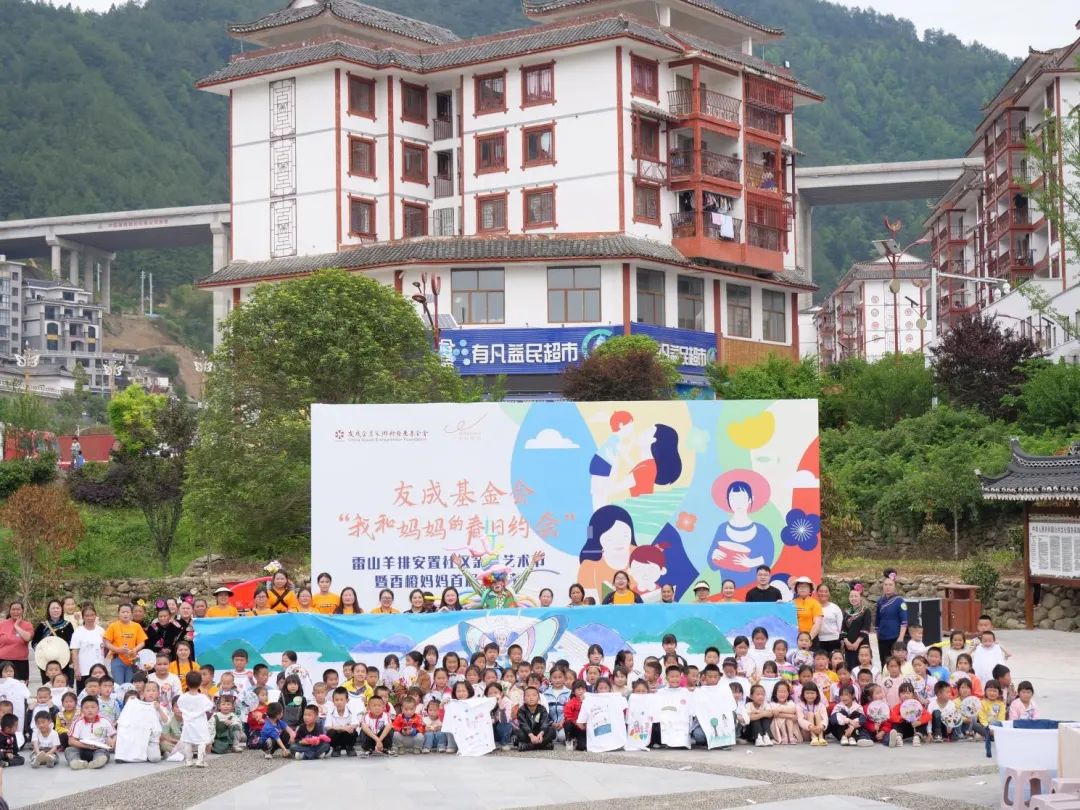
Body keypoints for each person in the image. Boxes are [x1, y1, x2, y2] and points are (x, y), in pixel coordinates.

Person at [708, 480, 774, 586]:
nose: (738, 503)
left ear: (750, 500)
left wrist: (750, 562)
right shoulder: (722, 529)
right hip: (728, 589)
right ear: (728, 501)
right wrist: (714, 556)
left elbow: (768, 558)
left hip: (755, 589)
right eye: (734, 499)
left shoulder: (762, 531)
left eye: (742, 499)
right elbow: (712, 565)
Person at [577, 506, 637, 602]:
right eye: (610, 538)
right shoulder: (589, 567)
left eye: (625, 535)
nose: (619, 542)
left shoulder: (642, 557)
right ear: (597, 539)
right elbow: (588, 602)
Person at [453, 551, 544, 609]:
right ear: (489, 584)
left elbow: (522, 579)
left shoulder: (511, 592)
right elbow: (473, 581)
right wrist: (461, 566)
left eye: (498, 580)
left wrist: (532, 563)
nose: (496, 584)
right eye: (493, 582)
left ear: (503, 581)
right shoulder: (486, 593)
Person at [103, 603, 148, 686]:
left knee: (130, 685)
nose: (125, 614)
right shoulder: (113, 626)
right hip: (117, 659)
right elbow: (106, 642)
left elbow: (142, 642)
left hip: (132, 660)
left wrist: (134, 650)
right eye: (123, 612)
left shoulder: (137, 626)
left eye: (127, 612)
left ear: (131, 614)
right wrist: (118, 650)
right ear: (118, 613)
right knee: (118, 685)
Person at [65, 696, 114, 770]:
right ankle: (77, 762)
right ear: (82, 710)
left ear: (98, 709)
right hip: (82, 749)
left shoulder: (105, 721)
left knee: (103, 752)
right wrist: (87, 746)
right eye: (86, 708)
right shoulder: (77, 722)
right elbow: (71, 741)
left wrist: (112, 740)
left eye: (93, 707)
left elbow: (114, 735)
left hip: (99, 749)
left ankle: (96, 762)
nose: (90, 710)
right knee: (69, 750)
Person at [33, 600, 75, 683]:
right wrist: (42, 652)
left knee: (62, 685)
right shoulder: (42, 626)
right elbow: (35, 642)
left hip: (63, 661)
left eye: (58, 608)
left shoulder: (68, 625)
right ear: (48, 610)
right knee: (48, 686)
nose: (55, 610)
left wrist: (66, 651)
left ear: (61, 610)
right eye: (53, 608)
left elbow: (72, 642)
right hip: (46, 662)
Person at [177, 671, 213, 767]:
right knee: (202, 741)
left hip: (188, 722)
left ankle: (188, 760)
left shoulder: (182, 697)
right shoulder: (202, 697)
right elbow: (210, 706)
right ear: (200, 682)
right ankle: (200, 760)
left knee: (187, 741)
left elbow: (180, 706)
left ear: (187, 683)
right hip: (200, 723)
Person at [69, 604, 106, 692]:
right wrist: (76, 669)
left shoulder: (101, 630)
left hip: (99, 671)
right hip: (84, 670)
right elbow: (74, 652)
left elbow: (106, 648)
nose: (90, 618)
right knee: (83, 695)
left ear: (95, 616)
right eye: (87, 615)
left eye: (92, 615)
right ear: (83, 617)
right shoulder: (78, 632)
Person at [874, 577, 907, 668]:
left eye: (890, 585)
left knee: (896, 662)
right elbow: (877, 620)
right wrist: (877, 634)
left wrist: (900, 638)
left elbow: (904, 621)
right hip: (882, 638)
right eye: (885, 585)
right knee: (884, 662)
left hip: (895, 637)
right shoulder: (880, 601)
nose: (887, 587)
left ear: (894, 587)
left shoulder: (900, 601)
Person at [515, 686, 555, 751]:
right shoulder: (521, 710)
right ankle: (544, 745)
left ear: (538, 698)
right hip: (527, 734)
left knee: (552, 731)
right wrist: (531, 735)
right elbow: (523, 724)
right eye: (528, 696)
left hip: (539, 733)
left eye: (534, 695)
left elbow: (545, 723)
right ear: (524, 699)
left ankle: (528, 746)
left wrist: (541, 734)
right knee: (518, 732)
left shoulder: (542, 709)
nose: (531, 698)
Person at [841, 586, 871, 670]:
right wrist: (846, 642)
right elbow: (843, 628)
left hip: (861, 644)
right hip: (849, 646)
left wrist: (856, 643)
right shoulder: (846, 612)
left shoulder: (865, 611)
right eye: (851, 596)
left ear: (860, 597)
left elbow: (865, 628)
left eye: (856, 596)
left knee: (862, 667)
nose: (853, 598)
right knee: (850, 667)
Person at [816, 584, 844, 655]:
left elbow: (841, 626)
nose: (823, 593)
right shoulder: (813, 606)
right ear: (817, 592)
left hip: (834, 640)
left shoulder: (835, 607)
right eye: (821, 591)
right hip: (818, 641)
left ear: (829, 593)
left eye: (826, 591)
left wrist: (842, 640)